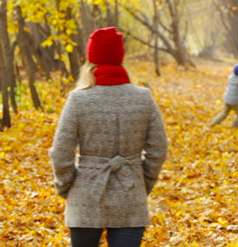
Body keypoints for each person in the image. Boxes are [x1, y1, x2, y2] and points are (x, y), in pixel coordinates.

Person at [49, 27, 168, 247]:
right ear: (120, 58)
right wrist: (143, 183)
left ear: (90, 61)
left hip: (86, 195)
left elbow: (60, 152)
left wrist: (66, 187)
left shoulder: (78, 100)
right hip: (130, 194)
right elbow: (158, 150)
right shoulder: (143, 98)